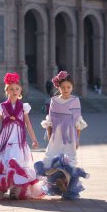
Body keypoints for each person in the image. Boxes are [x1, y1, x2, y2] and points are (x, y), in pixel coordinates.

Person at [0, 72, 44, 200]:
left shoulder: (23, 107)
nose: (14, 91)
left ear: (20, 90)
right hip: (6, 141)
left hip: (18, 141)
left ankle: (15, 189)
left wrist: (34, 140)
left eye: (16, 89)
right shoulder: (2, 107)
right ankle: (0, 187)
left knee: (17, 163)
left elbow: (28, 124)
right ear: (6, 91)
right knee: (4, 162)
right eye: (11, 89)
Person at [34, 71, 89, 200]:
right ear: (58, 87)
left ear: (72, 87)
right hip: (56, 136)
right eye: (63, 87)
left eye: (68, 87)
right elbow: (50, 122)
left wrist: (77, 140)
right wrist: (49, 137)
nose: (66, 90)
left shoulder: (75, 101)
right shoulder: (54, 101)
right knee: (53, 158)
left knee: (68, 160)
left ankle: (65, 184)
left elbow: (78, 123)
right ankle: (58, 180)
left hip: (70, 137)